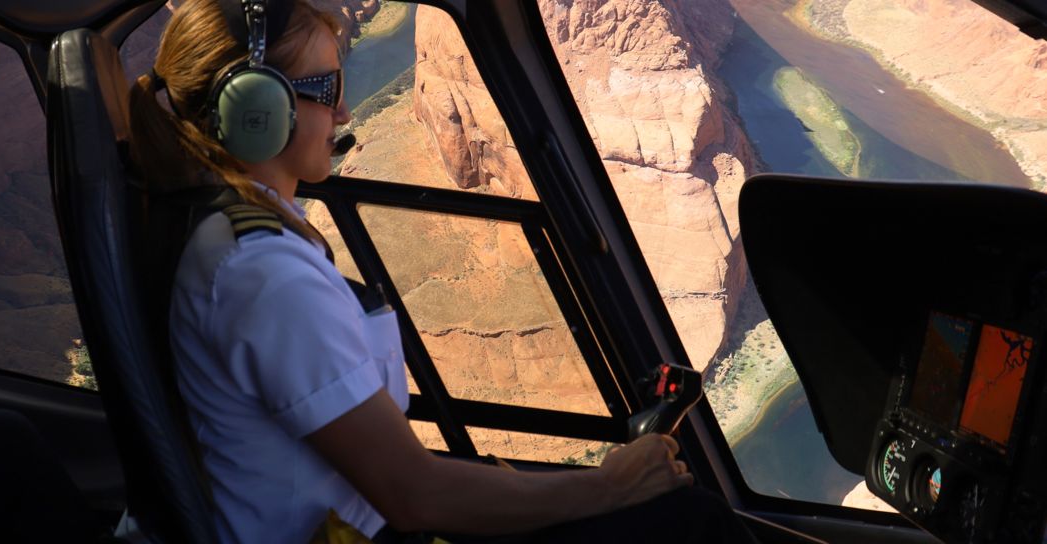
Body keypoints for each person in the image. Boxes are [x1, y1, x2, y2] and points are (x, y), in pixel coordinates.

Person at [128, 1, 757, 543]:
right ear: (254, 110)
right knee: (689, 521)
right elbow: (413, 493)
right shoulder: (262, 277)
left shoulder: (220, 225)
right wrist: (609, 487)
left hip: (357, 523)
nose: (344, 112)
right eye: (323, 89)